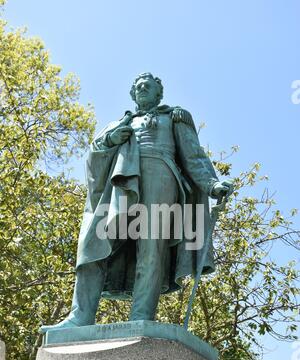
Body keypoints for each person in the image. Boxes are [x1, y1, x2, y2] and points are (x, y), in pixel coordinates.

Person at [40, 73, 232, 333]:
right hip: (121, 182)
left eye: (148, 85)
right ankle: (80, 317)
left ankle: (140, 317)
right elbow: (95, 155)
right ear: (133, 94)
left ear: (158, 93)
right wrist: (111, 140)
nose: (142, 87)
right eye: (138, 86)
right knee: (93, 242)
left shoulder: (174, 116)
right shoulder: (119, 123)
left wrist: (212, 184)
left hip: (160, 175)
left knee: (151, 247)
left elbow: (193, 156)